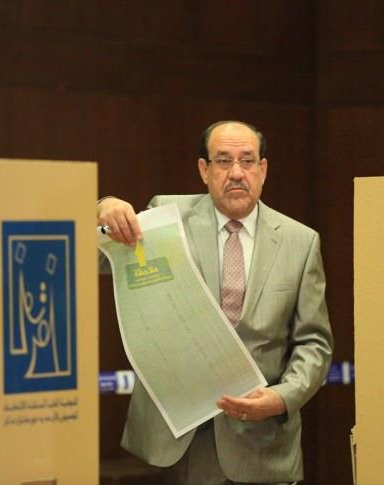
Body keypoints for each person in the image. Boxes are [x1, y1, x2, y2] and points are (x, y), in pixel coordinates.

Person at [97, 120, 333, 485]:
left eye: (247, 161)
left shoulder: (300, 242)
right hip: (176, 442)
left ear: (263, 169)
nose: (236, 173)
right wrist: (104, 208)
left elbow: (314, 343)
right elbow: (99, 260)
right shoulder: (166, 217)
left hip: (261, 443)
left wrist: (282, 398)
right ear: (204, 170)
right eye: (223, 161)